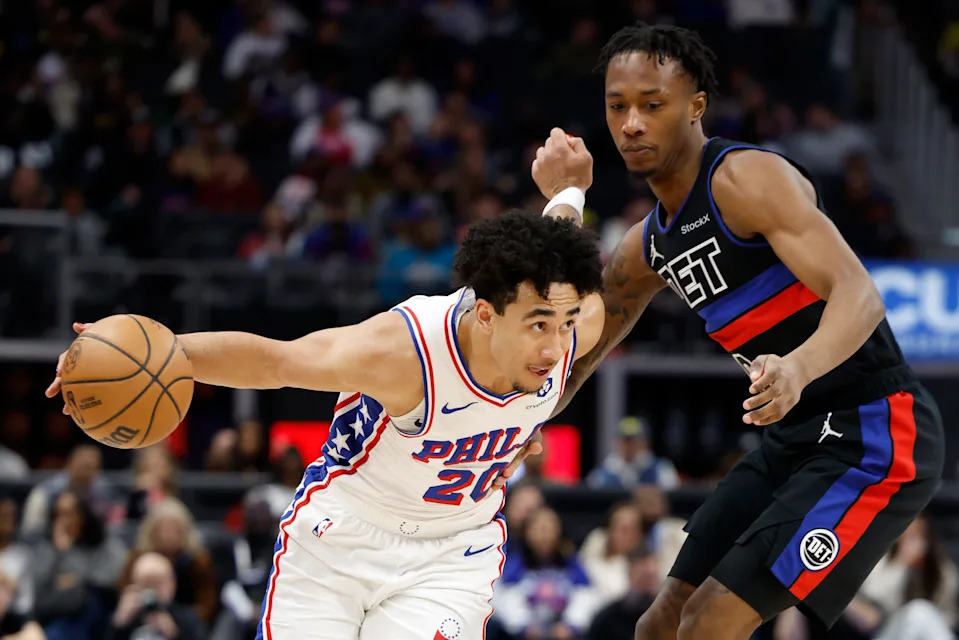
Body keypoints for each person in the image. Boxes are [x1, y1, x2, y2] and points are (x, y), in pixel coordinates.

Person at [501, 22, 944, 640]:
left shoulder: (745, 179)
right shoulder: (644, 246)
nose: (631, 123)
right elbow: (577, 345)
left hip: (873, 432)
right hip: (794, 441)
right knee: (659, 624)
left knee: (709, 624)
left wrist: (798, 366)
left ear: (696, 107)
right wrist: (521, 423)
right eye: (617, 106)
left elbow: (860, 293)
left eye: (652, 105)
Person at [47, 207, 605, 640]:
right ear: (487, 315)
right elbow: (276, 361)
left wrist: (570, 191)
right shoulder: (401, 354)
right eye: (539, 326)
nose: (558, 347)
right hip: (340, 538)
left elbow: (560, 265)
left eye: (566, 324)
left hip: (451, 553)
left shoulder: (567, 322)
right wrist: (146, 357)